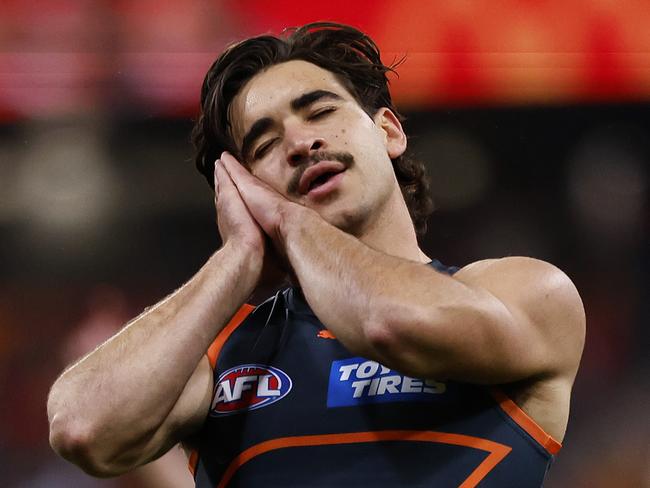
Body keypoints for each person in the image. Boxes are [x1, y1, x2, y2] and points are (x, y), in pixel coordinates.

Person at [47, 22, 585, 487]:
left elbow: (390, 322)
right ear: (245, 189)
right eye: (263, 145)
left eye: (319, 111)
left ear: (388, 130)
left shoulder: (526, 291)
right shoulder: (226, 350)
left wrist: (288, 220)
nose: (300, 143)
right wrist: (235, 259)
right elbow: (83, 429)